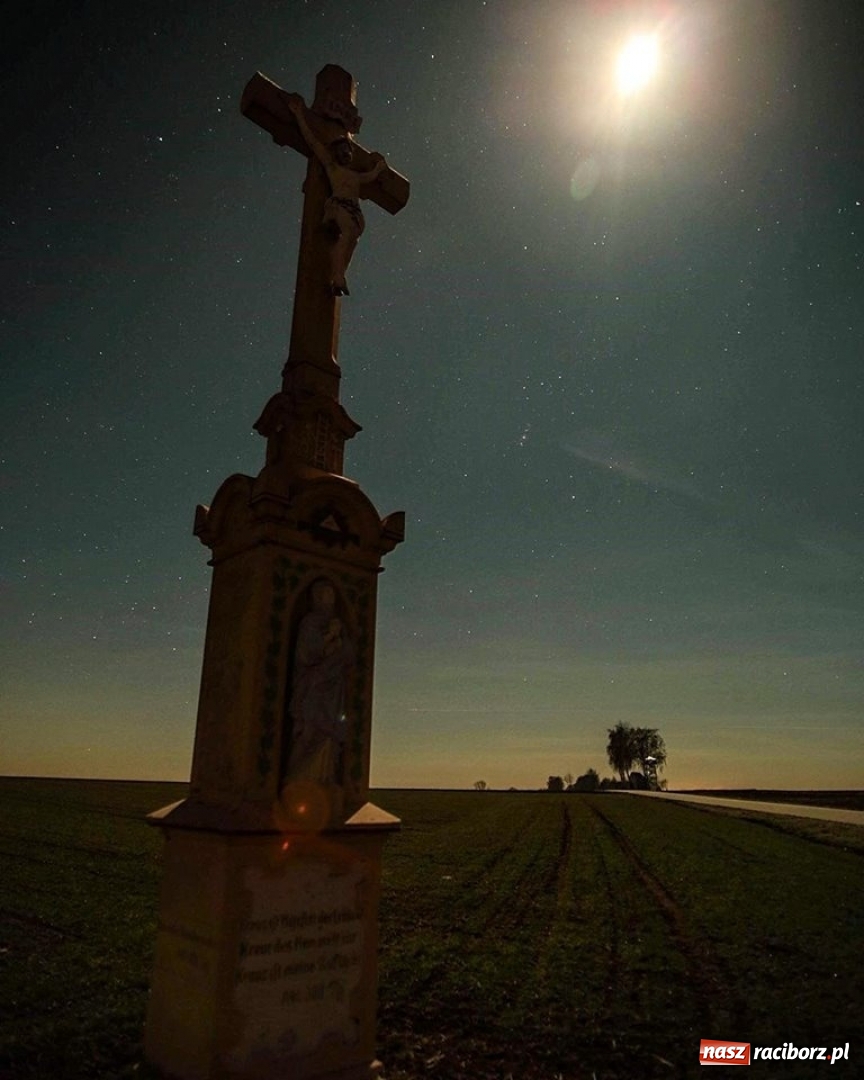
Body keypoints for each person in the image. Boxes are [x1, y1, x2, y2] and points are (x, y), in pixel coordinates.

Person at [287, 94, 387, 295]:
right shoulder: (332, 167)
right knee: (346, 235)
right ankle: (338, 276)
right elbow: (314, 143)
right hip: (338, 207)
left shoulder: (354, 175)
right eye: (342, 151)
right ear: (335, 153)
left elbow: (369, 177)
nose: (346, 154)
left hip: (354, 213)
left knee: (351, 241)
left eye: (348, 152)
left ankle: (339, 276)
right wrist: (299, 114)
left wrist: (379, 168)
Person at [285, 579, 354, 784]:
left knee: (329, 735)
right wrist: (330, 636)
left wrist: (339, 637)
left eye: (332, 594)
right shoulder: (310, 623)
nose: (329, 599)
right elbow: (307, 654)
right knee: (309, 729)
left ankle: (326, 778)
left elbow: (350, 656)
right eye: (325, 594)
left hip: (333, 690)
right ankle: (297, 776)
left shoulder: (338, 624)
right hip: (313, 686)